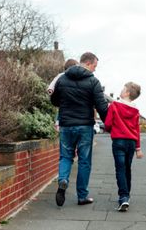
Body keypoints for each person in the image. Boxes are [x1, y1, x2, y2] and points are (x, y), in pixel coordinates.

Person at [51, 52, 108, 207]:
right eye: (94, 66)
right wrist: (109, 124)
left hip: (66, 125)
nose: (95, 70)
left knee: (65, 157)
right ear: (88, 63)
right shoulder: (93, 81)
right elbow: (102, 106)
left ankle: (63, 180)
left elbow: (54, 100)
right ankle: (82, 196)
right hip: (84, 126)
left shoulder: (62, 79)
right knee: (84, 161)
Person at [104, 82, 144, 212]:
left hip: (119, 141)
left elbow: (108, 124)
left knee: (120, 169)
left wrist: (111, 130)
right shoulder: (136, 110)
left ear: (127, 93)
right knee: (127, 168)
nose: (121, 91)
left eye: (123, 89)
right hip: (131, 143)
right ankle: (127, 195)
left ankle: (123, 197)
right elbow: (137, 130)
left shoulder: (114, 105)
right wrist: (138, 148)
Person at [47, 59, 79, 132]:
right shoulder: (61, 75)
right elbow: (53, 82)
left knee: (62, 109)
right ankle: (57, 122)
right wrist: (50, 89)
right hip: (66, 101)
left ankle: (58, 122)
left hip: (67, 103)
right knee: (62, 109)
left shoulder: (74, 77)